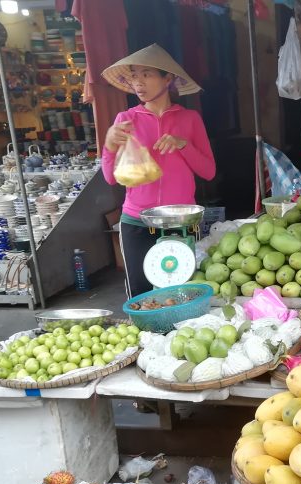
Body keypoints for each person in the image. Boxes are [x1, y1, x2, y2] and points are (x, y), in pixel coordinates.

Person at [100, 44, 215, 298]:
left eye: (146, 74)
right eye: (134, 76)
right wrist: (109, 145)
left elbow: (208, 172)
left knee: (182, 295)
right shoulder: (126, 120)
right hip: (136, 222)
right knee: (141, 297)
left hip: (181, 222)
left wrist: (183, 145)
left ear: (168, 78)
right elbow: (110, 178)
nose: (138, 83)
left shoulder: (190, 119)